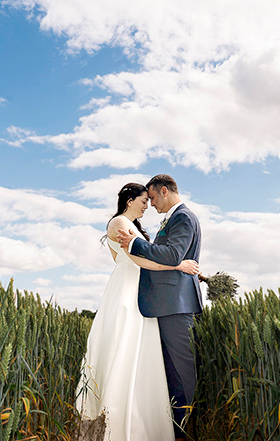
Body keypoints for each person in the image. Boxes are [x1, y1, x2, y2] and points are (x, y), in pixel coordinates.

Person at [76, 182, 200, 441]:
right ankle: (118, 419)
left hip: (142, 292)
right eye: (144, 200)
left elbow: (151, 256)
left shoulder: (141, 226)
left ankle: (145, 420)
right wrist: (178, 267)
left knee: (142, 354)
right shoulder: (119, 223)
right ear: (130, 200)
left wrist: (173, 264)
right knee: (124, 347)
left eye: (151, 199)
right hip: (127, 291)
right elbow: (139, 260)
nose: (149, 205)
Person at [117, 174, 204, 441]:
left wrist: (135, 243)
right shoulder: (177, 218)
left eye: (153, 198)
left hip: (176, 304)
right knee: (171, 369)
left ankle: (186, 428)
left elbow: (172, 255)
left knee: (182, 368)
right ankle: (177, 427)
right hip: (167, 303)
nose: (151, 205)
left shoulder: (183, 217)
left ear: (164, 191)